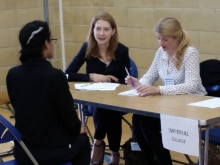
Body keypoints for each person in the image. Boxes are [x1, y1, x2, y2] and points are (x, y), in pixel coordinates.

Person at [6, 20, 91, 165]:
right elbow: (68, 115)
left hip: (23, 151)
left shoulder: (12, 74)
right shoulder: (54, 76)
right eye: (52, 40)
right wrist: (78, 128)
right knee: (83, 141)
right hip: (51, 151)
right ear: (46, 44)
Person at [125, 17, 207, 165]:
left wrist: (158, 89)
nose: (161, 43)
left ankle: (163, 162)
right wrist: (137, 83)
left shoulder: (190, 53)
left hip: (192, 107)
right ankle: (150, 161)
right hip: (171, 106)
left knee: (146, 123)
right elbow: (150, 75)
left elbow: (192, 85)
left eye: (165, 39)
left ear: (176, 38)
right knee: (138, 118)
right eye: (158, 39)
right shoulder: (160, 53)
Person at [65, 12, 130, 165]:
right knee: (103, 109)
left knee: (111, 109)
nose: (101, 33)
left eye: (106, 29)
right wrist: (92, 78)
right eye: (98, 29)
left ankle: (98, 142)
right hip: (93, 100)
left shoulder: (122, 50)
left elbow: (126, 80)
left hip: (117, 99)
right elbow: (67, 74)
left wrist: (109, 81)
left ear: (113, 31)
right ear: (92, 30)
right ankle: (113, 151)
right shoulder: (87, 48)